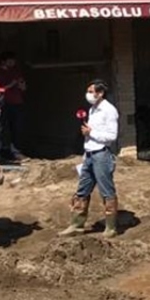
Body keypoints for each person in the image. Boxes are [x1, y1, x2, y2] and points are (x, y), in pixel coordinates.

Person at [60, 80, 121, 238]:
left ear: (100, 93)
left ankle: (111, 228)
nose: (88, 94)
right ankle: (76, 225)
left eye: (90, 91)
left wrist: (90, 133)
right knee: (82, 190)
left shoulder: (109, 110)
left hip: (101, 154)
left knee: (106, 191)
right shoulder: (92, 109)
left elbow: (111, 136)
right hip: (89, 154)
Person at [0, 51, 27, 163]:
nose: (13, 62)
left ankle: (16, 151)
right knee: (3, 128)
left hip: (17, 102)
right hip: (4, 102)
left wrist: (22, 85)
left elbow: (23, 86)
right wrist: (11, 85)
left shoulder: (16, 71)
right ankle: (3, 151)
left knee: (17, 128)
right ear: (4, 61)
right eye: (10, 60)